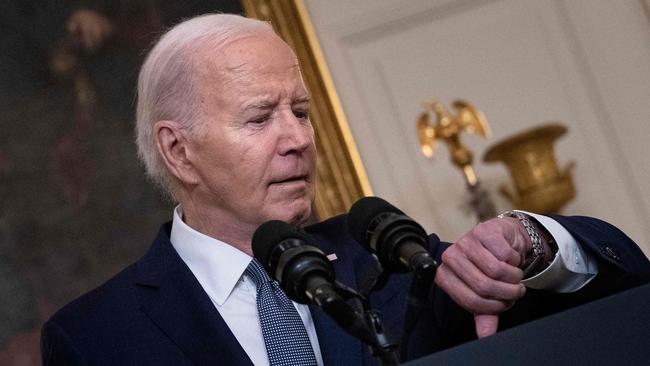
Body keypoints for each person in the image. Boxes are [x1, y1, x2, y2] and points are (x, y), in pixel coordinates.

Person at [40, 13, 650, 365]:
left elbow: (625, 284)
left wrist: (528, 242)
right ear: (179, 150)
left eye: (300, 112)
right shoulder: (95, 337)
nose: (299, 139)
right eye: (260, 118)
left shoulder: (385, 260)